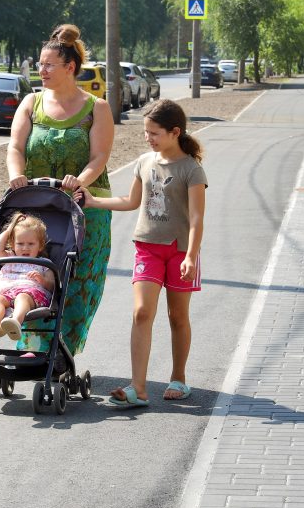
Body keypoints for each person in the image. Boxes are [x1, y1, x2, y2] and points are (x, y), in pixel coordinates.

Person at [77, 99, 207, 407]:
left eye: (154, 133)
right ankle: (138, 388)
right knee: (141, 312)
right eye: (146, 132)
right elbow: (131, 201)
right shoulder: (144, 162)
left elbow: (197, 218)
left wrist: (190, 256)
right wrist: (93, 201)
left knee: (177, 316)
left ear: (175, 132)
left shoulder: (192, 169)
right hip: (147, 248)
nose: (148, 138)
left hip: (179, 252)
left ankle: (179, 378)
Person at [6, 23, 114, 356]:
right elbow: (15, 146)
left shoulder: (97, 107)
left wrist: (80, 180)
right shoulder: (31, 103)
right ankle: (33, 348)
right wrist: (16, 174)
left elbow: (100, 157)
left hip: (85, 208)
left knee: (76, 281)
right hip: (37, 207)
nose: (42, 70)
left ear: (70, 67)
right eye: (40, 63)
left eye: (49, 64)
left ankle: (62, 350)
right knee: (32, 275)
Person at [0, 213, 55, 341]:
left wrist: (42, 280)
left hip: (32, 296)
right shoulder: (10, 258)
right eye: (20, 244)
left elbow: (52, 285)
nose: (25, 248)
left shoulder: (44, 263)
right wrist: (10, 229)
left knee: (22, 297)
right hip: (6, 293)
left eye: (31, 244)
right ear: (12, 243)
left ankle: (15, 321)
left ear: (40, 246)